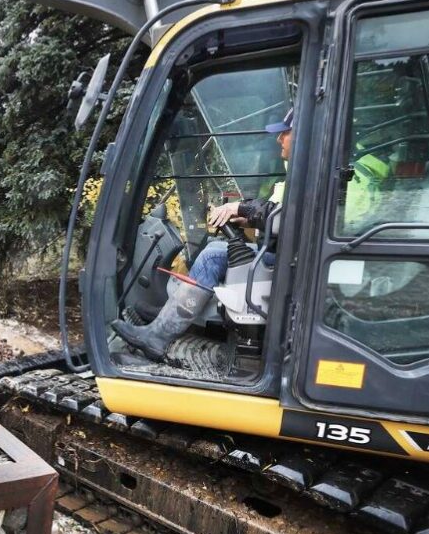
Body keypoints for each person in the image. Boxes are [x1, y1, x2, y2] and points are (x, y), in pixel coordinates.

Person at [113, 109, 294, 362]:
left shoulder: (308, 175)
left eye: (284, 133)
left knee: (211, 256)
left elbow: (291, 217)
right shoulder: (299, 175)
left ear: (300, 136)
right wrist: (246, 217)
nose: (279, 139)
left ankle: (159, 333)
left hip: (290, 261)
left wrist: (240, 208)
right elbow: (280, 219)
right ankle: (170, 314)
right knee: (215, 248)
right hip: (286, 254)